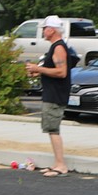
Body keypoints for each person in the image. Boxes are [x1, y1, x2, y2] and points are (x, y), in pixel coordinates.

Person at [26, 15, 70, 177]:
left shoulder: (58, 48)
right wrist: (37, 71)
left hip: (56, 95)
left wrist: (39, 69)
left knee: (53, 129)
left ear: (52, 29)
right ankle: (57, 163)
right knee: (52, 129)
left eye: (45, 28)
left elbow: (61, 72)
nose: (43, 31)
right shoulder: (55, 47)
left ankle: (61, 165)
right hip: (51, 93)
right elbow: (51, 71)